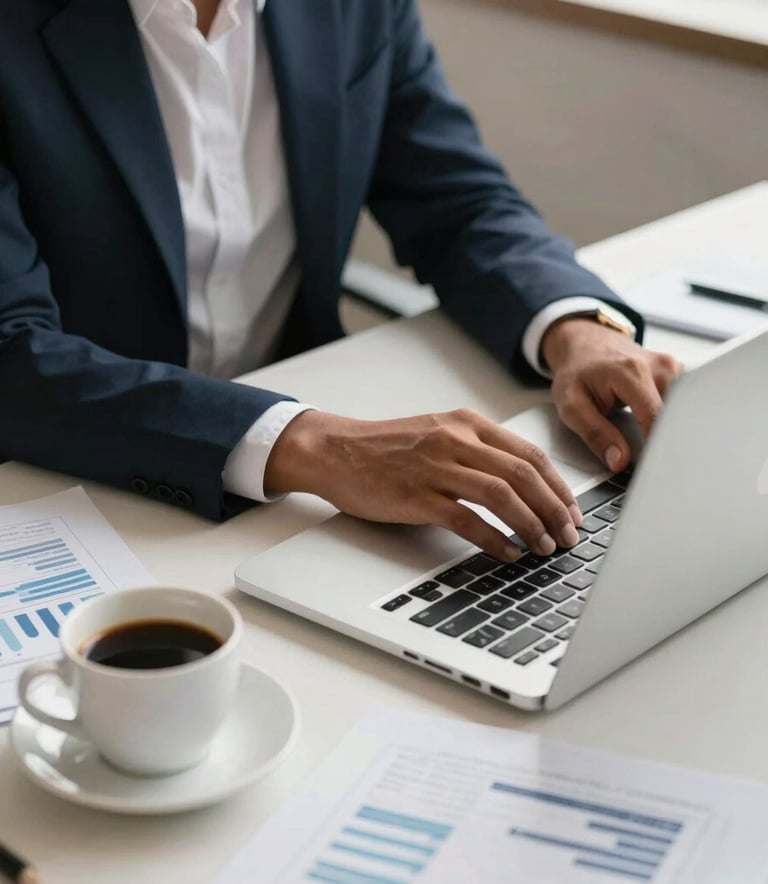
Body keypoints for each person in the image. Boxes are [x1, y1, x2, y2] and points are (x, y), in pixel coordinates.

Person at [0, 0, 679, 563]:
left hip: (303, 465)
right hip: (72, 483)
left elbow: (457, 200)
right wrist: (316, 446)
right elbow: (10, 350)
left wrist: (574, 326)